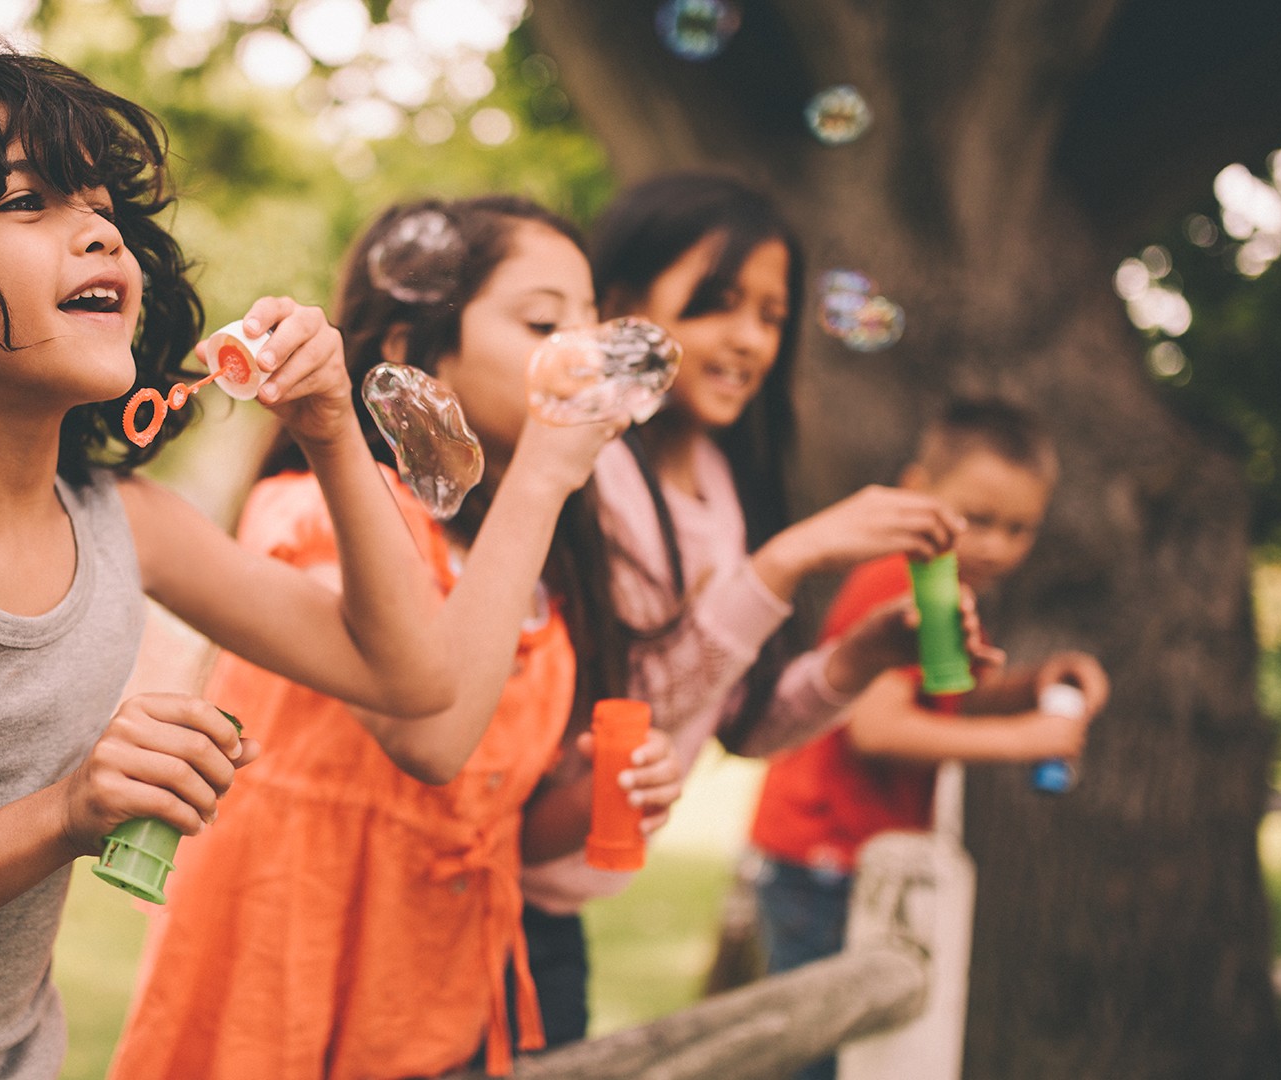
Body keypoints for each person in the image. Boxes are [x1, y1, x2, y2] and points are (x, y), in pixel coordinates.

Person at [0, 43, 455, 1080]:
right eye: (27, 202)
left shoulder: (122, 518)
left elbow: (410, 676)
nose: (100, 231)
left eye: (105, 207)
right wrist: (67, 814)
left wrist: (332, 428)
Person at [109, 195, 684, 1080]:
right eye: (543, 320)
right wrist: (540, 480)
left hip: (437, 1000)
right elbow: (430, 738)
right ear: (415, 355)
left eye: (593, 319)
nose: (589, 349)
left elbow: (487, 817)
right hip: (286, 979)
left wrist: (606, 801)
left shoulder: (524, 570)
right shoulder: (316, 518)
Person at [517, 172, 969, 1047]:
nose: (749, 339)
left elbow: (742, 724)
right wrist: (780, 565)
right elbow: (634, 704)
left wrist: (858, 659)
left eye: (771, 314)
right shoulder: (585, 473)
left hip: (559, 914)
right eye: (716, 302)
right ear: (617, 306)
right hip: (497, 882)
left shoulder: (730, 486)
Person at [746, 398, 1108, 1080]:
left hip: (858, 860)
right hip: (822, 860)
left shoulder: (947, 582)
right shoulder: (896, 577)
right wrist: (1028, 738)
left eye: (1020, 528)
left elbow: (934, 694)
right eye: (978, 519)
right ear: (916, 492)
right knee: (820, 1054)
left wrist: (1029, 686)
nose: (996, 544)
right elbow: (879, 729)